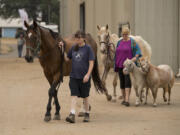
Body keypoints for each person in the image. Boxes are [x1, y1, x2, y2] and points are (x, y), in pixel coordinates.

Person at [58, 30, 95, 123]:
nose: (77, 40)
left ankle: (87, 113)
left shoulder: (88, 48)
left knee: (85, 96)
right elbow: (67, 59)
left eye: (79, 38)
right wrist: (62, 49)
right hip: (74, 76)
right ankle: (72, 114)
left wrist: (88, 75)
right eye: (76, 38)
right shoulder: (74, 48)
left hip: (84, 77)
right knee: (73, 95)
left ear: (83, 38)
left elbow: (91, 63)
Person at [114, 27, 142, 107]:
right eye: (123, 34)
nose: (124, 36)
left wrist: (135, 58)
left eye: (126, 34)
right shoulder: (119, 42)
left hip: (128, 65)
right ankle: (123, 99)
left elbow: (138, 50)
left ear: (128, 34)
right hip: (119, 64)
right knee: (122, 82)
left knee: (127, 82)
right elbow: (117, 52)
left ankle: (127, 100)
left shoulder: (132, 42)